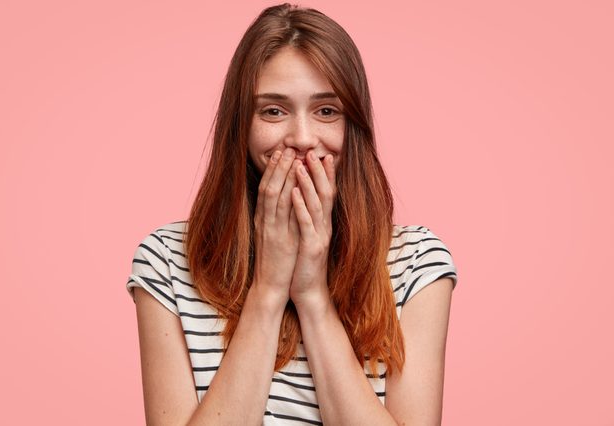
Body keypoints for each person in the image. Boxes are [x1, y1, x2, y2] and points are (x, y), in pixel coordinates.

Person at [126, 3, 458, 425]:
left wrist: (313, 298)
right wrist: (267, 291)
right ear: (240, 126)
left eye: (326, 111)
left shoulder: (416, 262)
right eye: (273, 111)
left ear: (352, 123)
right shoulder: (166, 261)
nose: (302, 138)